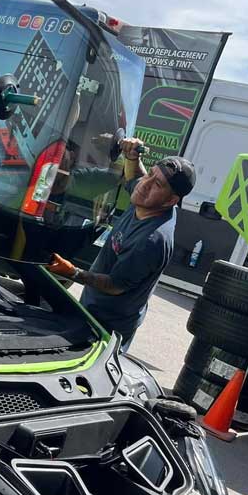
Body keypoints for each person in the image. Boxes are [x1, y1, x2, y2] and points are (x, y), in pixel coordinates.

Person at [48, 140, 196, 353]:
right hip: (91, 308)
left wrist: (73, 273)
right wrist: (133, 157)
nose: (145, 184)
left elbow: (115, 285)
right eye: (150, 174)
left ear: (171, 201)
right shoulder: (148, 199)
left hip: (108, 327)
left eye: (157, 184)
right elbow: (136, 177)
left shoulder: (151, 240)